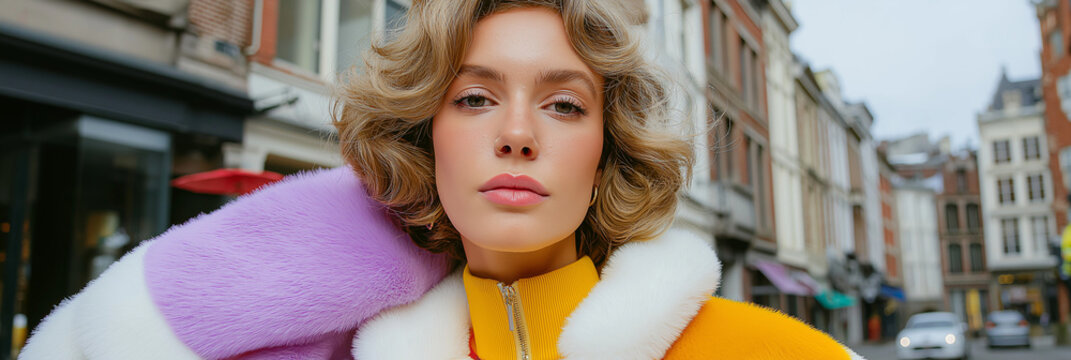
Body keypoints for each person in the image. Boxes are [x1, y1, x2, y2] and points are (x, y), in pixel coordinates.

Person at [20, 1, 864, 359]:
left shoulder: (775, 352)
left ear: (609, 150)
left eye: (563, 105)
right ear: (426, 136)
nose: (517, 134)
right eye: (474, 98)